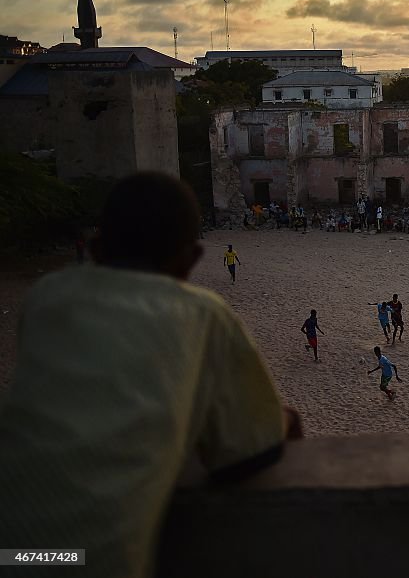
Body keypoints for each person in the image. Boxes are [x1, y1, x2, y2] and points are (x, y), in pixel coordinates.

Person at [0, 172, 301, 578]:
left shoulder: (46, 297)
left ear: (95, 248)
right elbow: (249, 451)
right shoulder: (202, 312)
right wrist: (284, 419)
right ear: (192, 260)